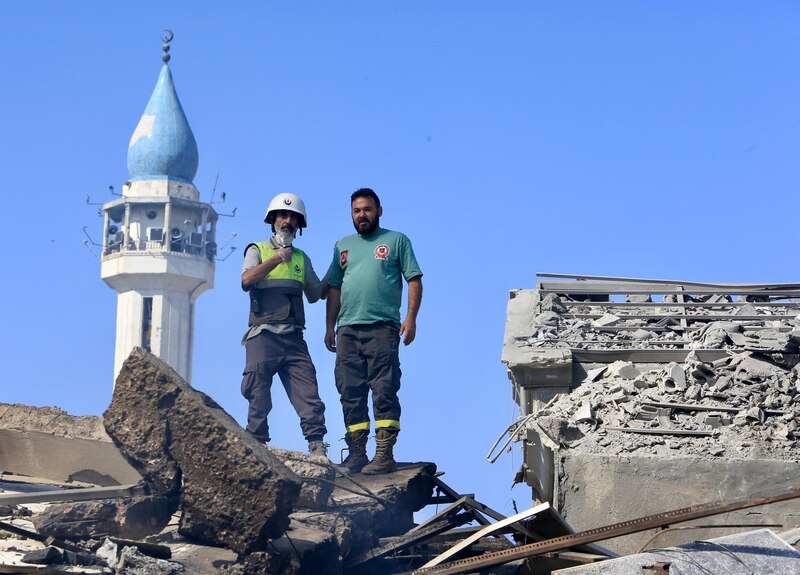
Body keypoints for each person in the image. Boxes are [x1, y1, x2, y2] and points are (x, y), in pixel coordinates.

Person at [325, 188, 423, 475]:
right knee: (349, 391)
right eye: (357, 210)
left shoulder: (396, 241)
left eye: (367, 209)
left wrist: (411, 318)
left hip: (382, 327)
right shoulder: (342, 246)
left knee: (383, 389)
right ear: (351, 214)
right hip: (347, 330)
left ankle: (384, 454)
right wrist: (329, 326)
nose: (362, 215)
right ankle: (357, 453)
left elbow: (414, 280)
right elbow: (333, 287)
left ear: (379, 211)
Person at [240, 192, 328, 457]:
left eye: (293, 217)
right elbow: (246, 280)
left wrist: (337, 266)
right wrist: (277, 258)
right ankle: (256, 442)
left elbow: (316, 294)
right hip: (262, 335)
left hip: (293, 338)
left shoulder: (302, 259)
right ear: (273, 220)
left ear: (299, 225)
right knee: (257, 389)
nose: (287, 221)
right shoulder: (257, 249)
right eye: (283, 215)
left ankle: (317, 445)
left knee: (308, 391)